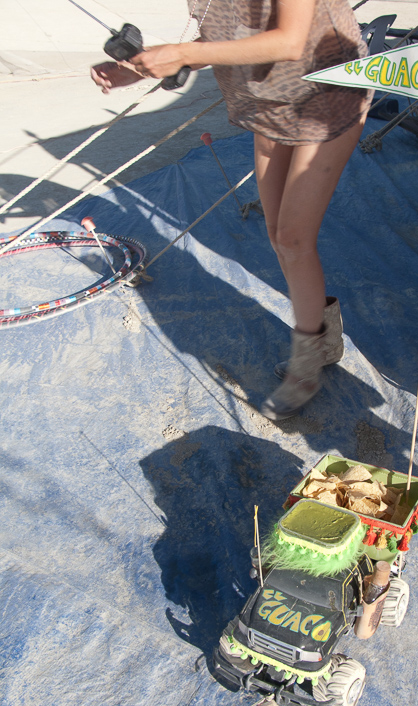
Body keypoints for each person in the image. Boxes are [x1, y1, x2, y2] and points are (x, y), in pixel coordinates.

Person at [91, 1, 373, 420]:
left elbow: (291, 40)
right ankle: (325, 340)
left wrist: (183, 54)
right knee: (279, 236)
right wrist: (141, 67)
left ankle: (308, 365)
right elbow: (234, 34)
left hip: (328, 88)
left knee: (295, 239)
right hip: (269, 98)